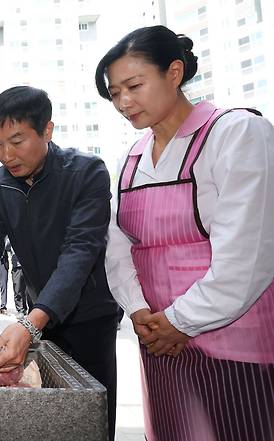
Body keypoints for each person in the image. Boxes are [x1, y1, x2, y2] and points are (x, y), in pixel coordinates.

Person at [96, 25, 274, 441]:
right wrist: (140, 312)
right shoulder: (131, 158)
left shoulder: (236, 133)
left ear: (174, 72)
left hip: (233, 345)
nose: (123, 102)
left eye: (134, 86)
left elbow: (249, 258)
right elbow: (117, 247)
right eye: (114, 93)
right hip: (159, 342)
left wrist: (180, 322)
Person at [0, 86, 119, 440]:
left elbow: (80, 250)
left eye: (16, 140)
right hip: (39, 316)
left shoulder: (86, 172)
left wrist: (31, 324)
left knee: (92, 414)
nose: (6, 155)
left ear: (47, 130)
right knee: (46, 416)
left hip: (89, 314)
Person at [10, 247, 29, 318]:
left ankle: (30, 308)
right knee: (17, 289)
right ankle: (20, 309)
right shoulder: (10, 238)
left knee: (28, 290)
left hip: (26, 266)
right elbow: (6, 246)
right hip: (16, 267)